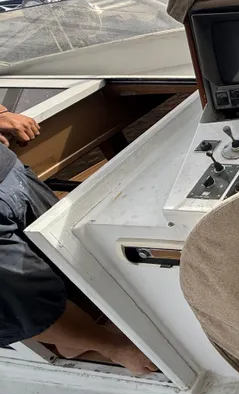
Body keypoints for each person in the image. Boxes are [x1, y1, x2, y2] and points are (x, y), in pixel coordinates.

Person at [0, 106, 156, 375]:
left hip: (7, 173)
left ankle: (82, 335)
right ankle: (113, 347)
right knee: (23, 302)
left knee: (62, 249)